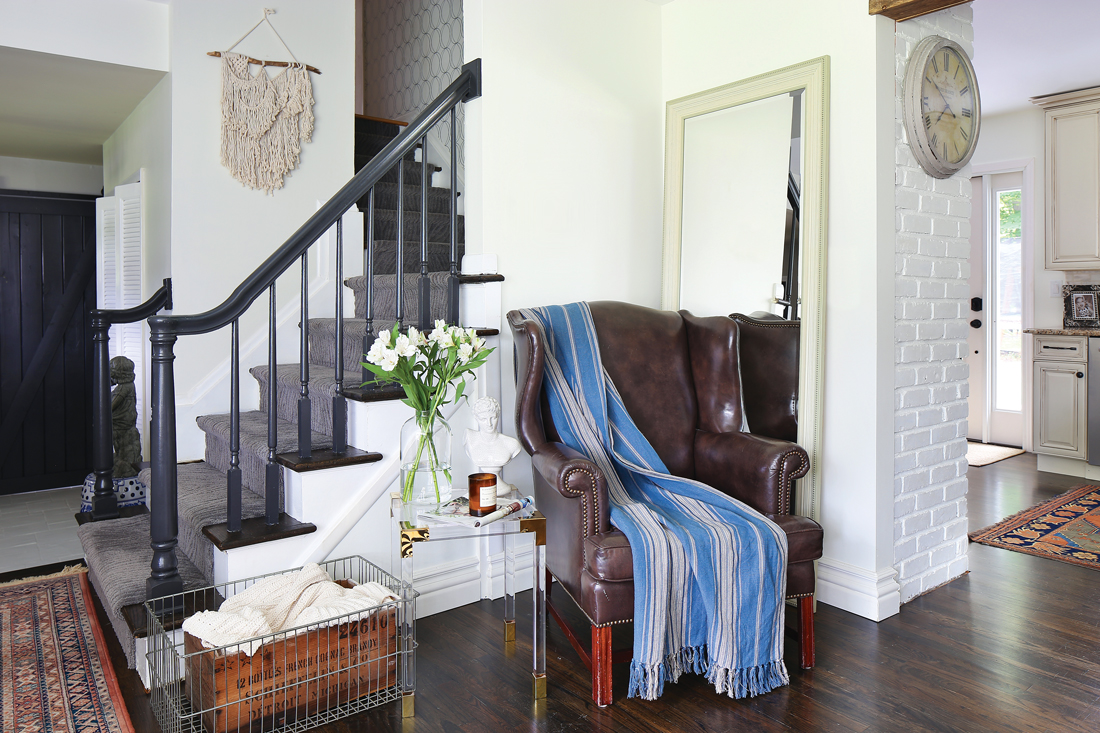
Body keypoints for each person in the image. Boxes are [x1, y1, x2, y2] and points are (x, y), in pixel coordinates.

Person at [464, 396, 522, 495]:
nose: (489, 423)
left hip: (501, 489)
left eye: (493, 418)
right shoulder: (470, 439)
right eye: (483, 419)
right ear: (476, 418)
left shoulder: (512, 444)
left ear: (498, 416)